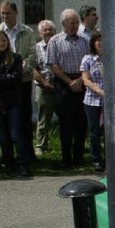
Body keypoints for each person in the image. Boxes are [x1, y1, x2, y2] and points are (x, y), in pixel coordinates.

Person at [0, 0, 38, 164]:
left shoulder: (27, 31)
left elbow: (33, 55)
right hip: (0, 86)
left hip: (22, 81)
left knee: (24, 119)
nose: (5, 16)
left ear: (16, 13)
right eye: (2, 13)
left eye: (8, 13)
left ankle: (27, 155)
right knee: (4, 124)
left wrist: (19, 68)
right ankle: (8, 158)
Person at [47, 9, 89, 168]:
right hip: (63, 83)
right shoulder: (55, 41)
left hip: (81, 81)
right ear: (63, 23)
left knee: (81, 121)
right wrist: (69, 81)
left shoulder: (84, 41)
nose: (74, 25)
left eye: (76, 22)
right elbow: (52, 65)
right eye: (71, 22)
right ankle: (66, 158)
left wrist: (79, 80)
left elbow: (88, 62)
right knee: (65, 122)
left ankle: (79, 157)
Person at [0, 30, 29, 177]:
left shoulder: (16, 58)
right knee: (3, 135)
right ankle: (8, 165)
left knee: (16, 134)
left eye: (4, 41)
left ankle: (23, 166)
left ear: (8, 42)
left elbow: (16, 78)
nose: (1, 43)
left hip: (13, 101)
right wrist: (4, 78)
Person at [80, 31, 105, 172]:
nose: (100, 42)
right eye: (98, 40)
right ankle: (96, 160)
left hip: (109, 102)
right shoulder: (88, 59)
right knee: (95, 132)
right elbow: (86, 80)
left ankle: (110, 159)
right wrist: (100, 92)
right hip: (92, 101)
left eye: (103, 40)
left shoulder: (111, 58)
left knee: (108, 132)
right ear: (93, 43)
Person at [33, 20, 56, 157]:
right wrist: (44, 83)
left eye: (50, 30)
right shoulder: (36, 48)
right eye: (45, 30)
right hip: (43, 86)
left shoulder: (58, 44)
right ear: (40, 33)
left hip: (60, 85)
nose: (47, 32)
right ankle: (40, 145)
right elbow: (33, 69)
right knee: (43, 118)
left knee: (66, 117)